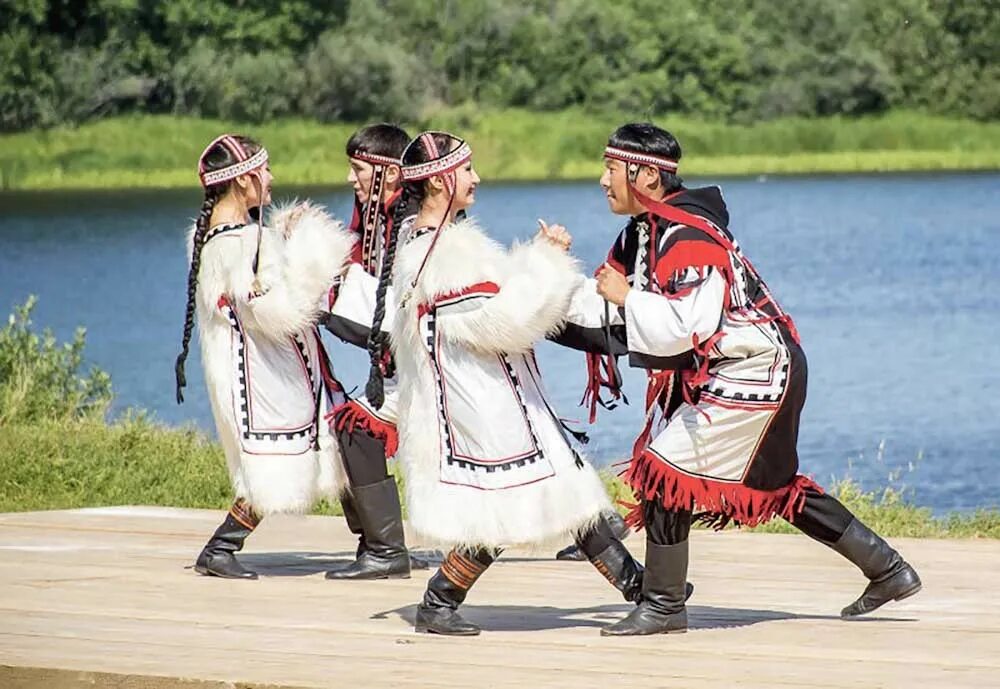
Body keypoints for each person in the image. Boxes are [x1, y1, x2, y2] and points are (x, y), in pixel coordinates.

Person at [556, 122, 921, 636]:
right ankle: (887, 569)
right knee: (774, 487)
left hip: (756, 369)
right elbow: (606, 308)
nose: (602, 179)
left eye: (610, 168)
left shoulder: (688, 236)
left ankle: (662, 605)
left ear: (646, 175)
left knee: (662, 471)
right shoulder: (645, 231)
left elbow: (686, 326)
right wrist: (545, 279)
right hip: (747, 368)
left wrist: (625, 298)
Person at [367, 130, 650, 636]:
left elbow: (496, 296)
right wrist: (550, 262)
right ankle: (439, 600)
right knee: (501, 507)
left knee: (565, 492)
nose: (476, 178)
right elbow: (504, 321)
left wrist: (537, 260)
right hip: (479, 402)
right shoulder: (438, 255)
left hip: (493, 394)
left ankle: (642, 590)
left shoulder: (438, 245)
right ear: (437, 183)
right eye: (466, 170)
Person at [175, 133, 354, 579]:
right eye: (264, 171)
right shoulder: (238, 245)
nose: (271, 179)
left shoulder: (224, 239)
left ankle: (379, 544)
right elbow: (279, 311)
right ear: (242, 182)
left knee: (325, 441)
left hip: (266, 369)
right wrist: (317, 255)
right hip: (261, 376)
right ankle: (219, 548)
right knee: (278, 459)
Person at [322, 123, 426, 579]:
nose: (351, 179)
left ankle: (384, 550)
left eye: (358, 169)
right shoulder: (373, 219)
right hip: (402, 365)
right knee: (353, 430)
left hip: (429, 366)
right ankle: (379, 546)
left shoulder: (413, 223)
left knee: (357, 430)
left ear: (387, 172)